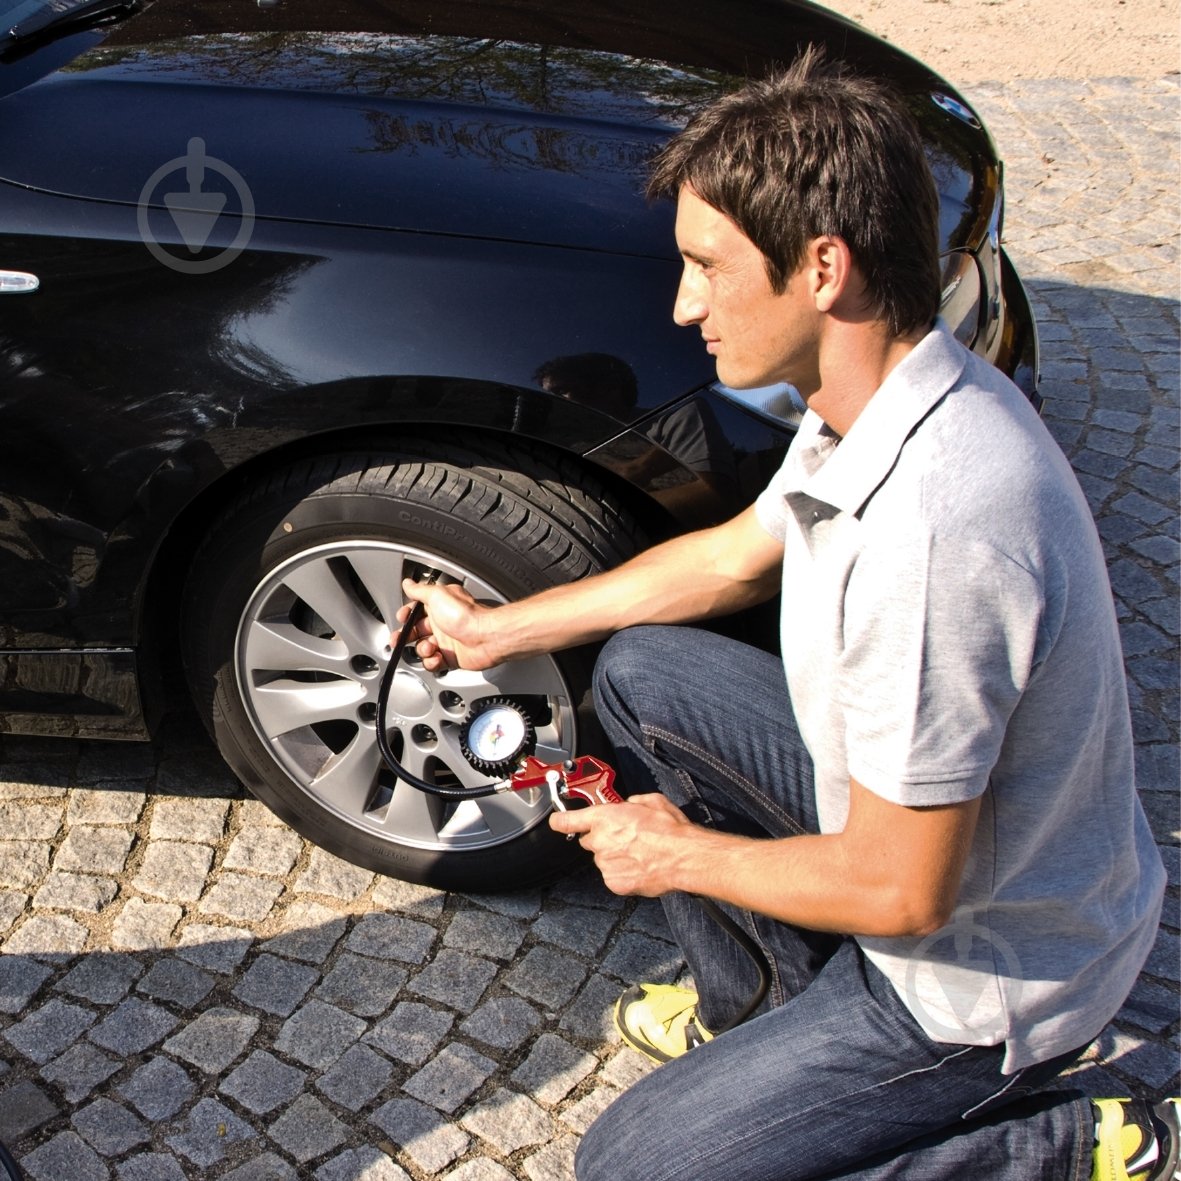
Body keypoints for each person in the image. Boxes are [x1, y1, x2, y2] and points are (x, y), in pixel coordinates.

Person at [399, 50, 1173, 1181]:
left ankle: (1060, 1138)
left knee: (631, 1166)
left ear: (821, 266)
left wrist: (680, 855)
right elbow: (727, 558)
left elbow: (899, 889)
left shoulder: (934, 534)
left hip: (976, 973)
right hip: (927, 854)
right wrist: (500, 630)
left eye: (706, 266)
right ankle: (756, 1008)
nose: (683, 303)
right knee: (647, 670)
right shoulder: (878, 393)